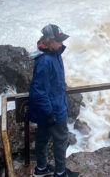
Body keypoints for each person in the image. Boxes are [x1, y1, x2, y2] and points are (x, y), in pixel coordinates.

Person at [28, 24, 79, 177]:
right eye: (59, 41)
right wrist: (50, 113)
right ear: (50, 41)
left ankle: (41, 169)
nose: (62, 43)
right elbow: (39, 91)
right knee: (61, 140)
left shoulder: (54, 54)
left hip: (50, 107)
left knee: (42, 138)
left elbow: (51, 82)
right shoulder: (45, 60)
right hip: (53, 110)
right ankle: (60, 172)